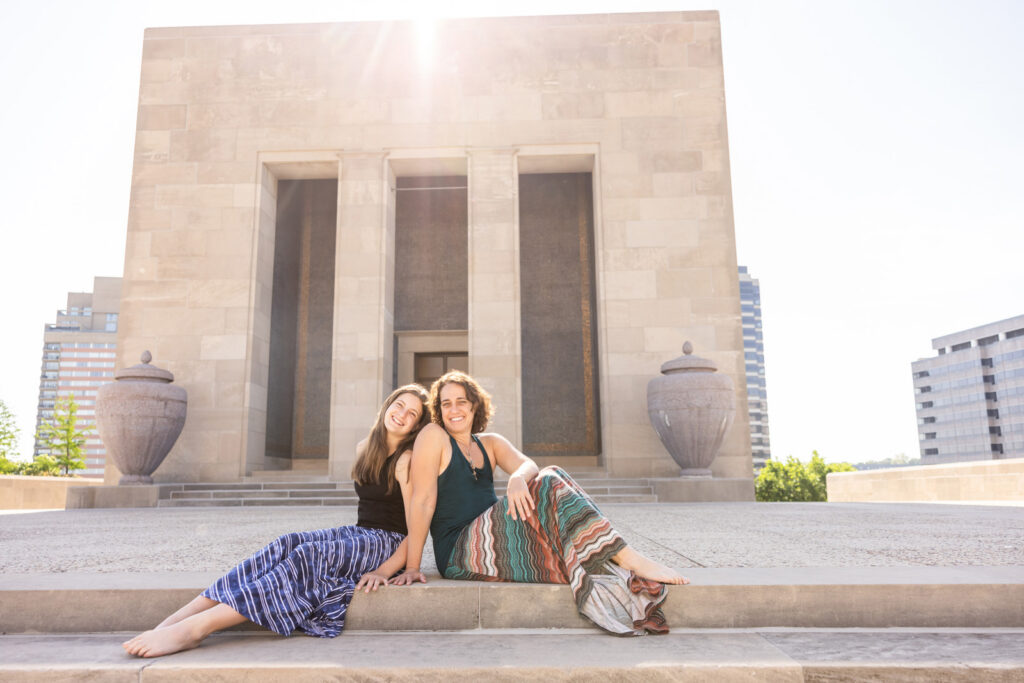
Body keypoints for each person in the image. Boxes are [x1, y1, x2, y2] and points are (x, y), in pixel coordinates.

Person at [122, 384, 431, 658]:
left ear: (417, 425)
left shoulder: (406, 459)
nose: (402, 414)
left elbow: (415, 526)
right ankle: (177, 620)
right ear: (388, 405)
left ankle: (194, 630)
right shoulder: (365, 448)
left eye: (412, 413)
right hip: (360, 534)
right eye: (399, 405)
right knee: (287, 542)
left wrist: (384, 570)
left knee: (308, 556)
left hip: (389, 546)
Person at [393, 371, 689, 636]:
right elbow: (423, 501)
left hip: (500, 537)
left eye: (461, 401)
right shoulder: (433, 436)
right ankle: (630, 558)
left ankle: (622, 570)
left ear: (474, 406)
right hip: (460, 548)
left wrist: (517, 479)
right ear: (438, 410)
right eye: (446, 404)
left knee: (556, 495)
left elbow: (527, 465)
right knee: (550, 480)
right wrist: (413, 566)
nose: (454, 409)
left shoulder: (491, 443)